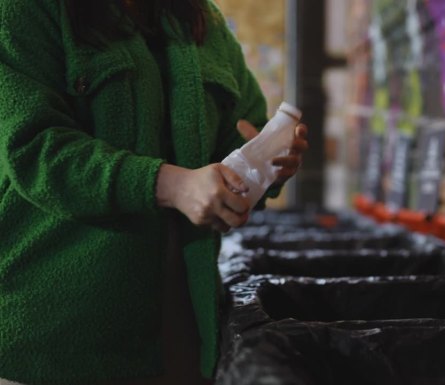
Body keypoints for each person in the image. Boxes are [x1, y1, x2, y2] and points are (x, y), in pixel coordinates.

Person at [0, 0, 308, 384]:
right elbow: (34, 150)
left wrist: (264, 162)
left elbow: (239, 131)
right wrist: (171, 185)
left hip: (181, 334)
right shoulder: (22, 10)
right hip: (57, 341)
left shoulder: (201, 19)